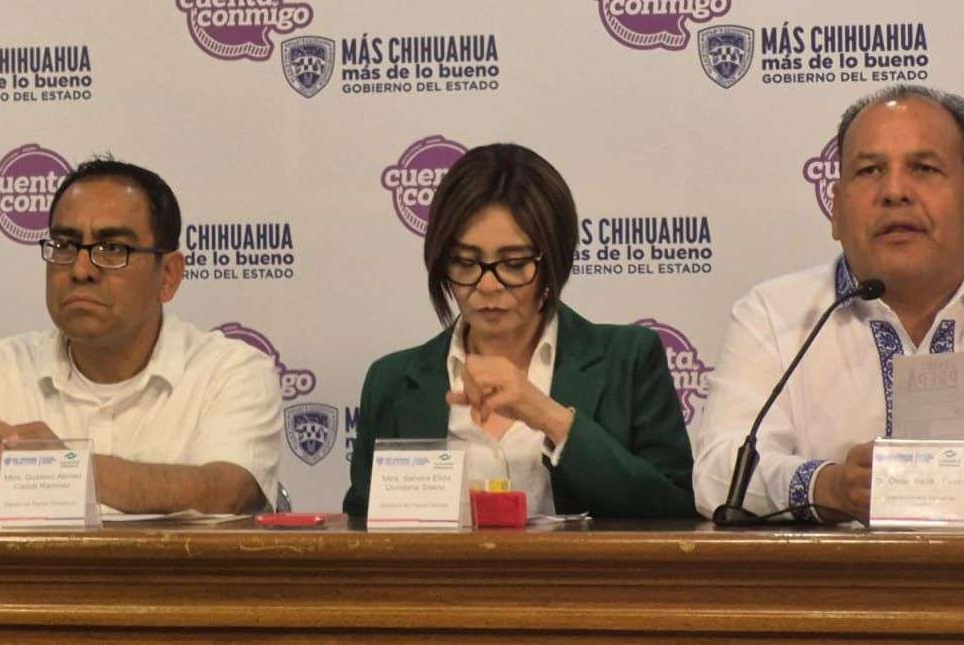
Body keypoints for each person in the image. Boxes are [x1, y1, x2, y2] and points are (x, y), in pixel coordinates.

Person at [344, 143, 695, 519]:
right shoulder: (392, 382)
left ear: (553, 260)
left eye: (514, 264)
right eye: (465, 262)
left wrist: (547, 416)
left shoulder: (628, 360)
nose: (488, 285)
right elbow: (363, 530)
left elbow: (675, 511)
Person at [0, 158, 281, 515]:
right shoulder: (3, 366)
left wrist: (65, 469)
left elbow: (230, 492)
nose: (81, 269)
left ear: (169, 275)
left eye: (113, 249)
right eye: (65, 245)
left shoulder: (231, 370)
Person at [695, 85, 964, 523]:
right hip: (830, 569)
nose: (895, 191)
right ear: (835, 210)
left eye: (924, 168)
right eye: (870, 170)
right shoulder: (777, 314)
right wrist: (827, 487)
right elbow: (718, 472)